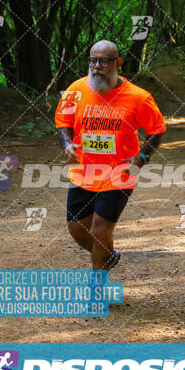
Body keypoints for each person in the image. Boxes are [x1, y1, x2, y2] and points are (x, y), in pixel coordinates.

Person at [55, 40, 166, 271]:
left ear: (118, 63)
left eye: (103, 61)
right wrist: (66, 143)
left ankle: (97, 287)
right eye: (92, 60)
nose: (96, 66)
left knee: (100, 228)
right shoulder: (76, 89)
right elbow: (63, 121)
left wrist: (142, 158)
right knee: (76, 229)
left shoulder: (138, 97)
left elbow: (157, 130)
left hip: (119, 173)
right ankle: (108, 253)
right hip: (83, 172)